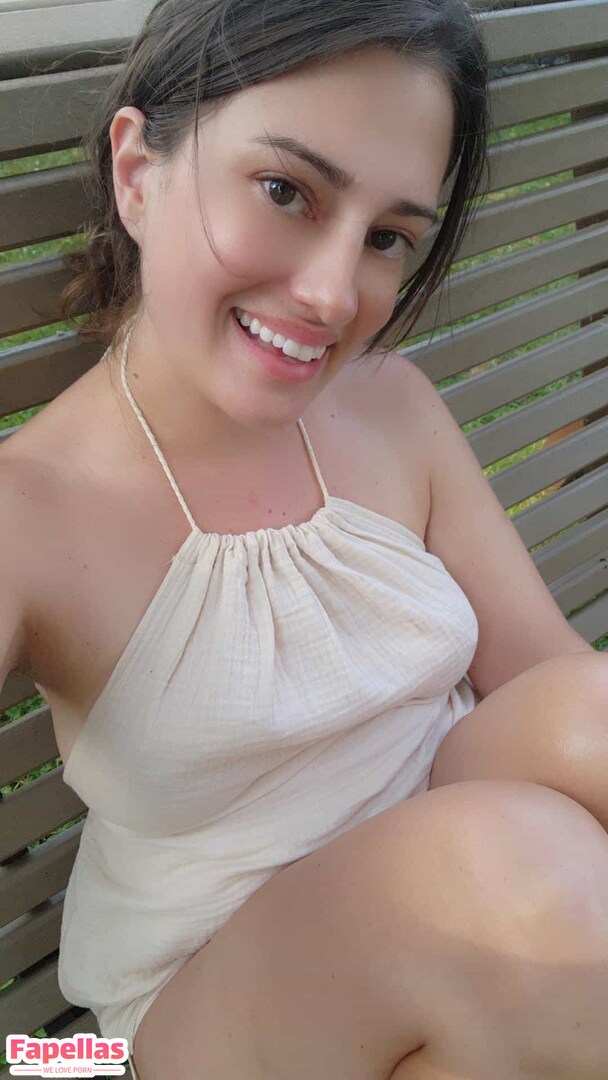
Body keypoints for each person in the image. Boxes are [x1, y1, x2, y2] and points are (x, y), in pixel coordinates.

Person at [2, 1, 607, 1077]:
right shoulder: (32, 513)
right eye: (285, 191)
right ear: (138, 173)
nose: (333, 295)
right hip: (229, 994)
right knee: (522, 879)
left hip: (476, 848)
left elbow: (550, 685)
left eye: (385, 238)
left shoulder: (389, 404)